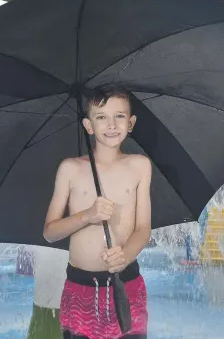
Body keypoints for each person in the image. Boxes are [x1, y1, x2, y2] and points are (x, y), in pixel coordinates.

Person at [43, 84, 152, 339]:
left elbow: (143, 228)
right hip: (80, 288)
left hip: (125, 285)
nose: (111, 124)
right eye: (101, 117)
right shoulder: (70, 169)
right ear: (88, 126)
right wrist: (87, 216)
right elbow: (50, 232)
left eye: (119, 116)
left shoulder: (140, 166)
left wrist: (124, 255)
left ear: (131, 122)